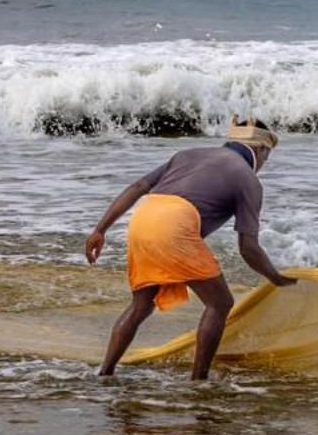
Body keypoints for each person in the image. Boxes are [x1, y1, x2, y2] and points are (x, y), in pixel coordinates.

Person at [84, 118, 298, 380]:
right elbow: (248, 247)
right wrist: (274, 276)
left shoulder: (188, 154)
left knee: (141, 305)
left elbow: (138, 187)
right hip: (175, 226)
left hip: (143, 220)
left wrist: (100, 230)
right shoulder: (248, 179)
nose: (265, 163)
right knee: (220, 303)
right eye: (268, 156)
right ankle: (199, 381)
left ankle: (105, 372)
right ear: (261, 150)